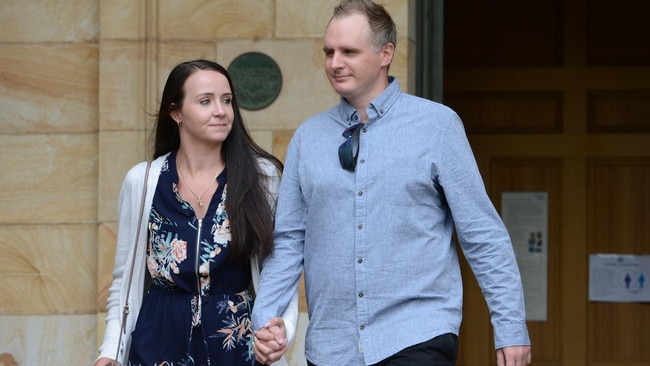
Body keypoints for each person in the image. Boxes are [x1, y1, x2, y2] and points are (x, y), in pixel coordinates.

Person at [251, 1, 531, 365]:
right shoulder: (307, 138)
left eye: (349, 51)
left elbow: (482, 234)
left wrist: (510, 329)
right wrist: (265, 320)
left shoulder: (438, 126)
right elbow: (288, 241)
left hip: (416, 334)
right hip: (331, 346)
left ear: (386, 53)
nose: (335, 63)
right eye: (329, 52)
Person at [95, 59, 298, 366]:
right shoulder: (144, 180)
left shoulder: (262, 176)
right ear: (176, 112)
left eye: (227, 101)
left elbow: (280, 266)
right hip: (158, 340)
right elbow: (124, 281)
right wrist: (109, 351)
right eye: (206, 101)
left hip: (237, 343)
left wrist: (285, 328)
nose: (221, 111)